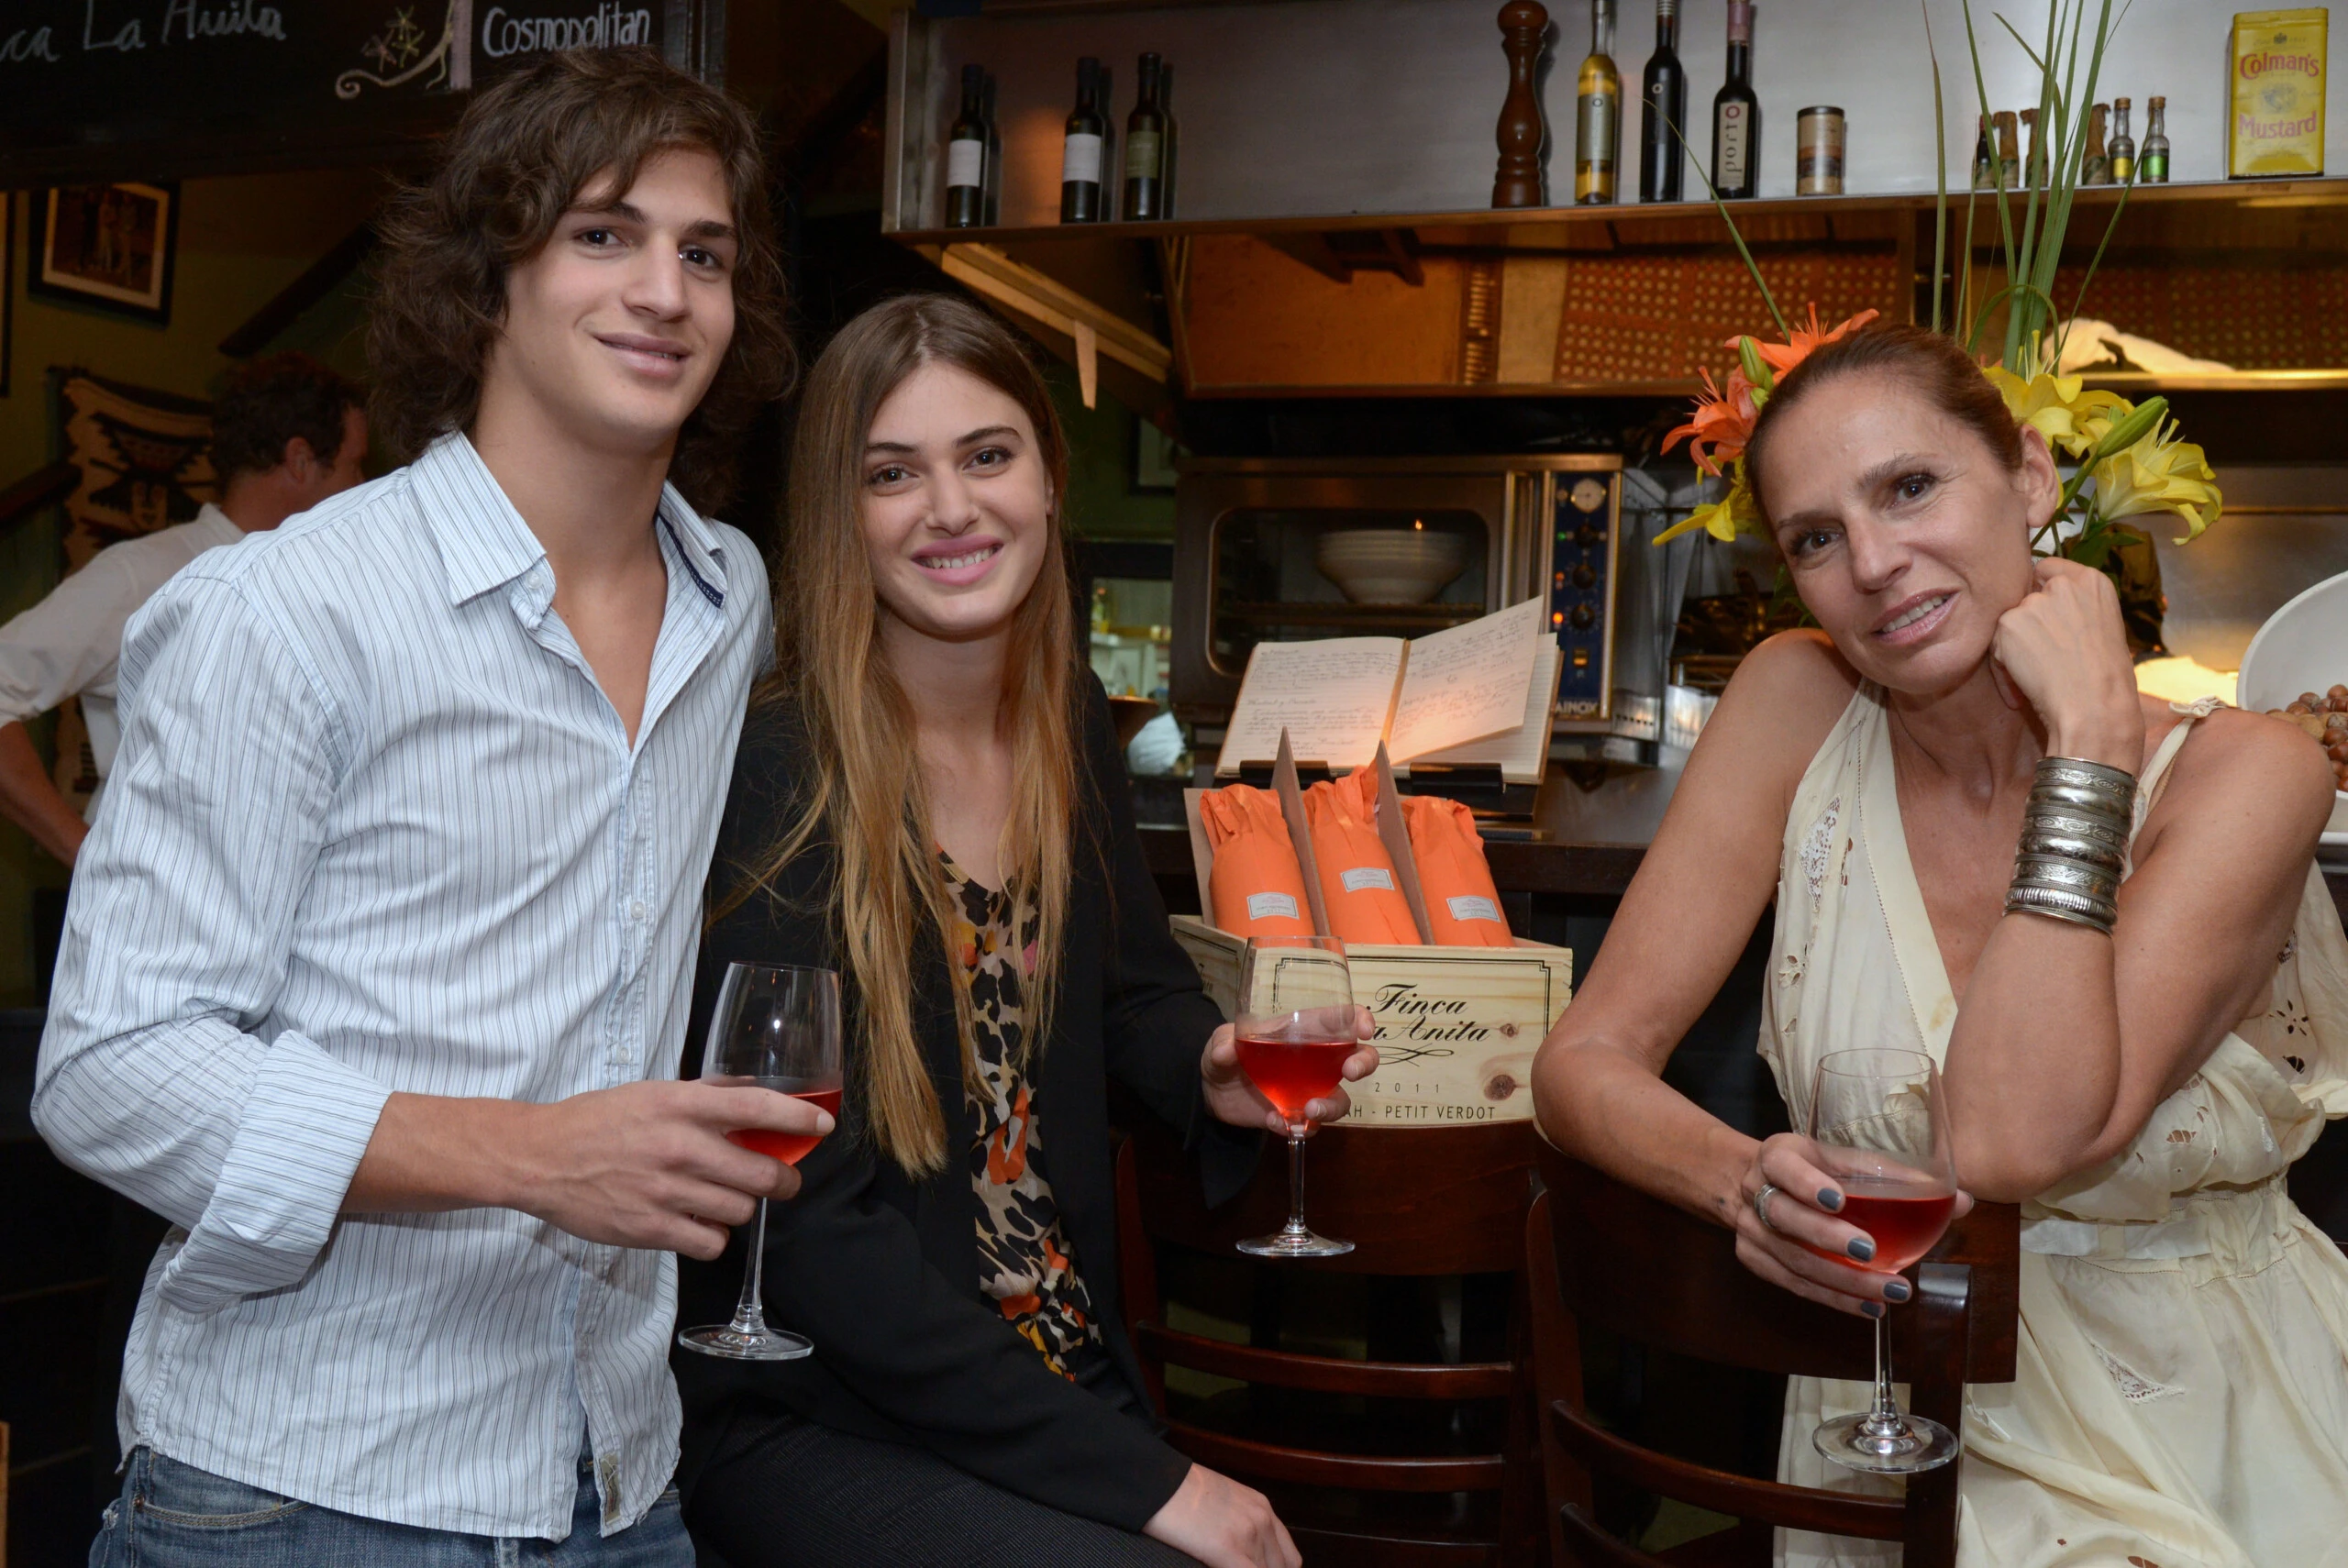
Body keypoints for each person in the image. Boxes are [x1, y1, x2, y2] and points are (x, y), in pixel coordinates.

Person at [36, 48, 821, 1567]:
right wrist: (535, 1156)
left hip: (620, 1477)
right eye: (604, 233)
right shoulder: (287, 609)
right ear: (490, 280)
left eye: (704, 252)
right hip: (302, 1490)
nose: (666, 287)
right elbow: (113, 1069)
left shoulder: (729, 598)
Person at [1531, 321, 2348, 1566]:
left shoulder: (2255, 776)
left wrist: (2087, 747)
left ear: (2028, 473)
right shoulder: (1793, 705)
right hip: (1881, 1430)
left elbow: (2010, 1141)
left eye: (1910, 486)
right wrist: (1741, 1182)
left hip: (2210, 1431)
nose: (1872, 562)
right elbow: (1581, 1062)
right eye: (1815, 537)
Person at [673, 293, 1378, 1568]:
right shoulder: (782, 764)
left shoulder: (1067, 715)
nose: (950, 509)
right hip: (830, 1410)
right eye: (893, 473)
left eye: (986, 455)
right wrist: (1158, 1483)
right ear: (843, 513)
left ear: (1050, 480)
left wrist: (1212, 1066)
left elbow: (1133, 998)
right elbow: (812, 1229)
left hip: (1051, 1362)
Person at [0, 352, 367, 865]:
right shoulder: (142, 575)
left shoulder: (336, 594)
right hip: (147, 923)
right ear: (301, 461)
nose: (362, 489)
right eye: (354, 467)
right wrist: (88, 859)